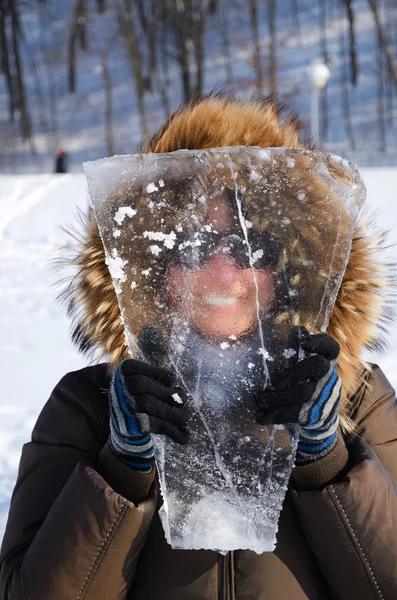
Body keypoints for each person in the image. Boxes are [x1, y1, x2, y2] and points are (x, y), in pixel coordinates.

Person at [1, 94, 397, 599]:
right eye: (191, 246)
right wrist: (120, 470)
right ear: (153, 266)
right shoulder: (87, 407)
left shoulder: (360, 402)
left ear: (288, 269)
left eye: (250, 247)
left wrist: (328, 462)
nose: (221, 273)